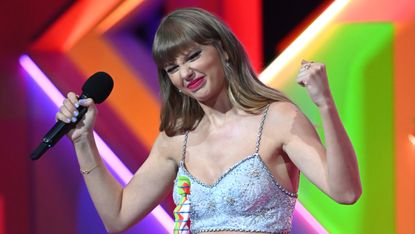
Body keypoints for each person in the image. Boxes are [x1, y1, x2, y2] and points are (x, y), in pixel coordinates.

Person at [56, 7, 362, 234]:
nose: (184, 73)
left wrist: (325, 105)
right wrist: (84, 141)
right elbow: (118, 216)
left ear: (224, 51)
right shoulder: (176, 139)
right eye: (171, 68)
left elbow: (346, 192)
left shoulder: (277, 119)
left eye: (192, 57)